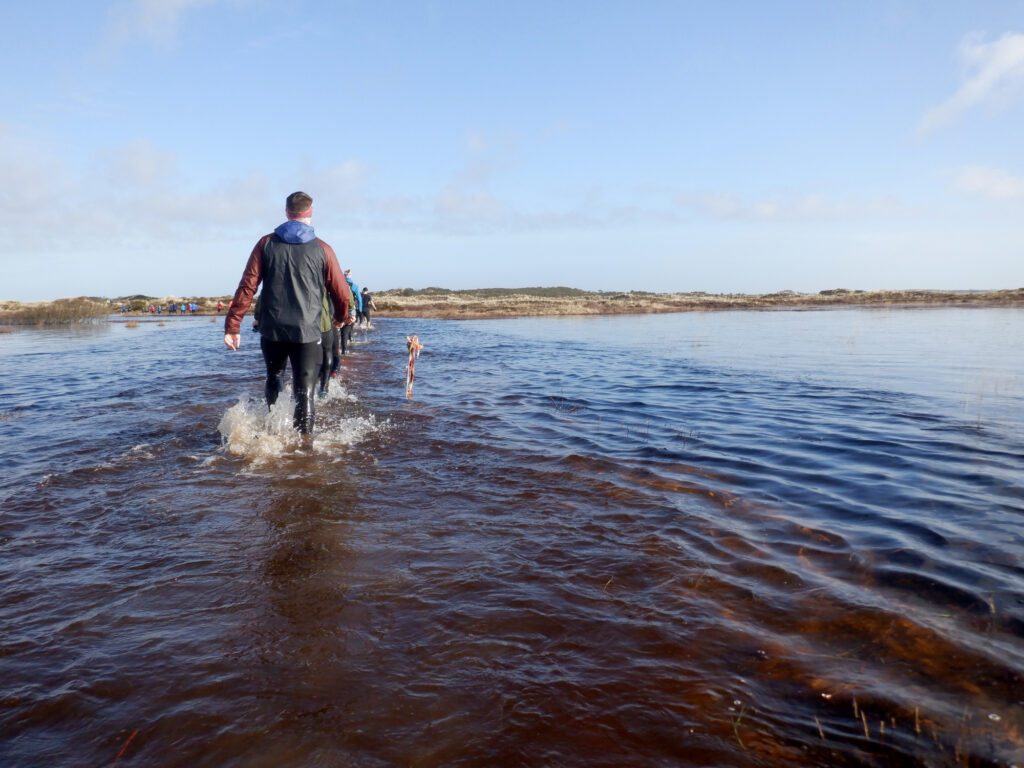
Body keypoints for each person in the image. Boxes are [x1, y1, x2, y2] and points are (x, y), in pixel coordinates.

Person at [223, 191, 350, 434]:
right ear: (310, 213)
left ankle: (274, 433)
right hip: (307, 331)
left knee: (274, 377)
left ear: (286, 213)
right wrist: (340, 319)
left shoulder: (266, 243)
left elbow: (248, 285)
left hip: (272, 329)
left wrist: (233, 325)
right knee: (305, 392)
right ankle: (303, 450)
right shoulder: (323, 249)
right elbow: (341, 292)